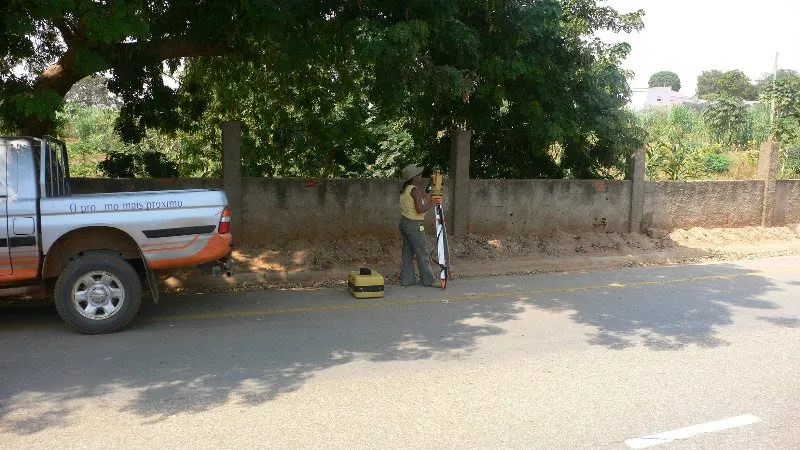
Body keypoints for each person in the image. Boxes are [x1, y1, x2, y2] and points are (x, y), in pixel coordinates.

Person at [399, 164, 441, 287]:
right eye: (418, 174)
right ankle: (429, 280)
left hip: (405, 223)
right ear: (413, 177)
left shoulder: (407, 190)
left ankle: (407, 280)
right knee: (422, 253)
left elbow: (415, 204)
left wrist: (425, 196)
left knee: (407, 253)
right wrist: (432, 203)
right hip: (414, 226)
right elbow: (419, 210)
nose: (420, 176)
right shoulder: (415, 190)